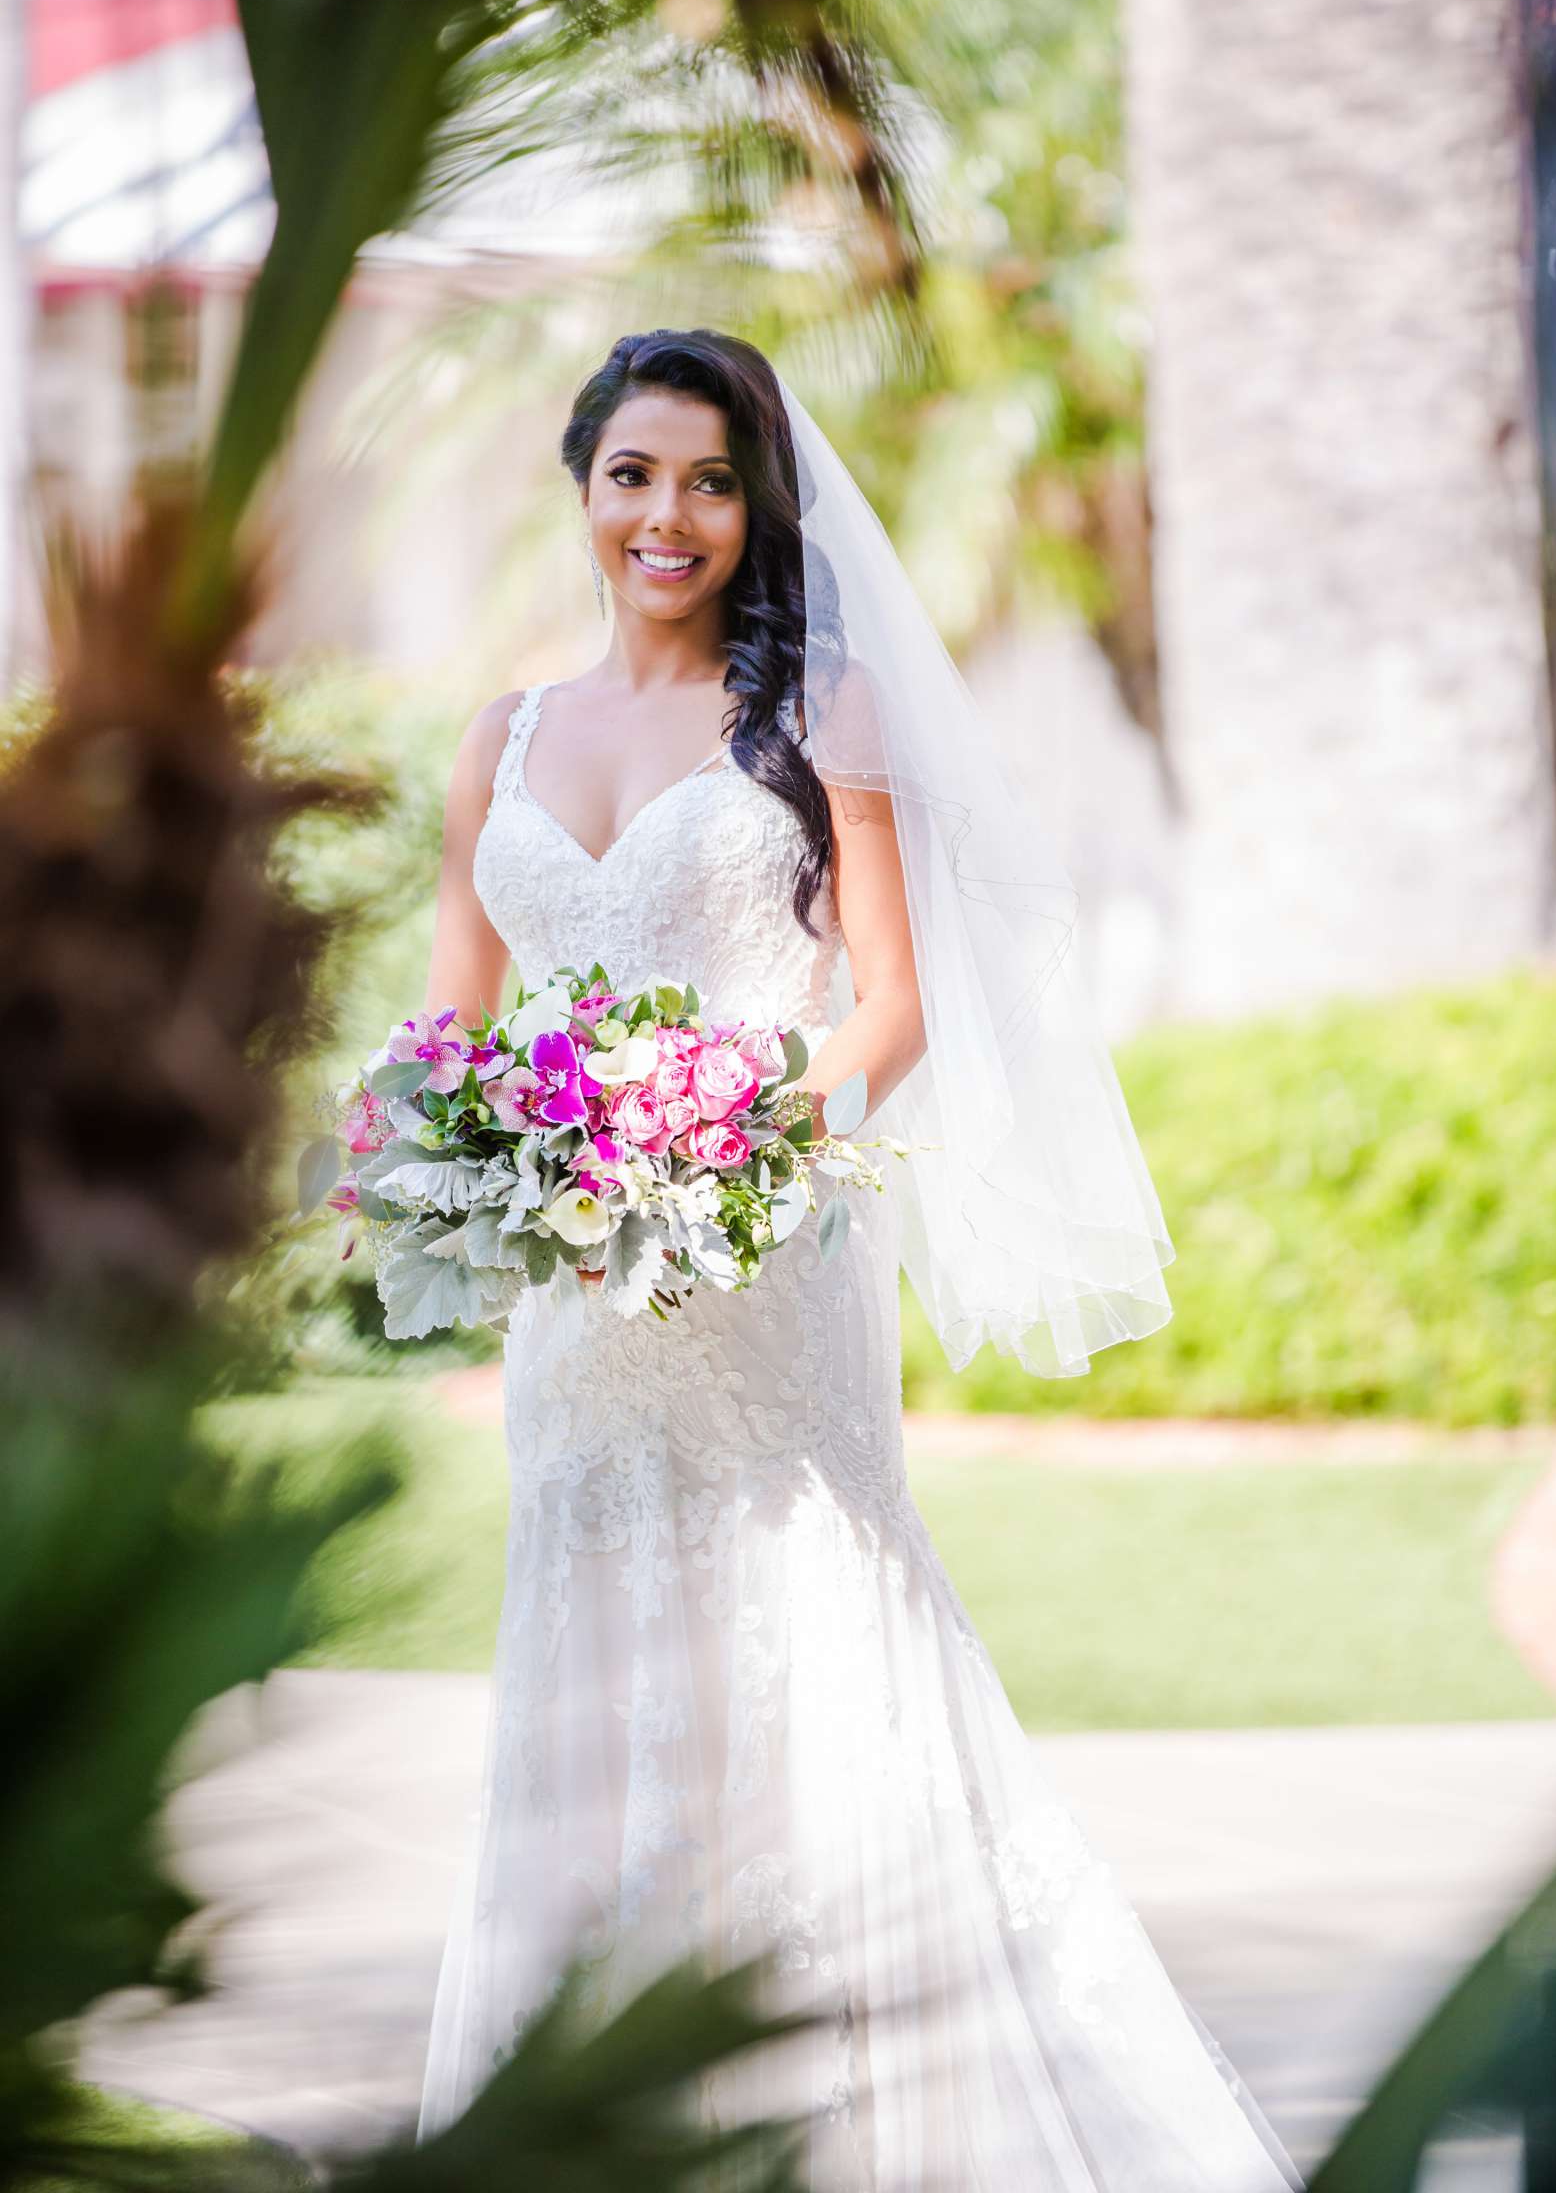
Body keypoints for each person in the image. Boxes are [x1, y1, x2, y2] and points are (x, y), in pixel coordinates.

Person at [412, 327, 1300, 2188]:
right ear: (582, 485)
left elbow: (888, 1014)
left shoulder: (819, 716)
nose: (670, 515)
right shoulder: (498, 737)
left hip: (764, 1269)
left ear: (758, 506)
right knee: (593, 1655)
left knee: (816, 1642)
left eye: (711, 480)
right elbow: (452, 1037)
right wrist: (458, 1161)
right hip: (579, 1327)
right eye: (635, 474)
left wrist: (713, 1155)